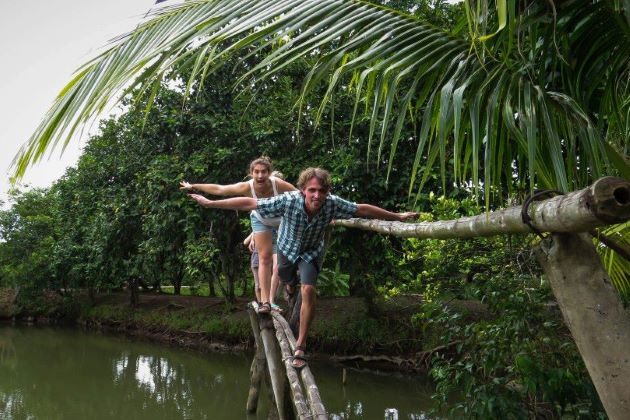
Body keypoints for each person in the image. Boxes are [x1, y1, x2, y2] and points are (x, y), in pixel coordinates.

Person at [187, 167, 417, 369]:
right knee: (287, 278)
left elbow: (362, 209)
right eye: (312, 190)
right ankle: (289, 286)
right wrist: (211, 203)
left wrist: (396, 216)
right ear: (303, 191)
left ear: (327, 192)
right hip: (286, 249)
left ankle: (301, 345)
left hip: (310, 252)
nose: (317, 196)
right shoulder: (288, 201)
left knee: (308, 289)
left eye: (322, 191)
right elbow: (250, 203)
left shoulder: (332, 204)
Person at [180, 157, 296, 314]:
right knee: (264, 258)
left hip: (281, 220)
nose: (260, 176)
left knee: (283, 263)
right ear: (251, 173)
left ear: (269, 173)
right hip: (261, 219)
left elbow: (301, 195)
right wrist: (193, 186)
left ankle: (289, 285)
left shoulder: (278, 184)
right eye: (256, 172)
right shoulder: (246, 186)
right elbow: (220, 189)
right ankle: (265, 302)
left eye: (264, 172)